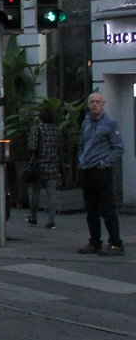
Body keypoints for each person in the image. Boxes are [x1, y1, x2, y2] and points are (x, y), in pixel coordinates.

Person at [77, 92, 125, 255]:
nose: (95, 105)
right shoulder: (86, 122)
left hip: (101, 172)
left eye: (98, 102)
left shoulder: (110, 123)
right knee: (91, 209)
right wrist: (82, 160)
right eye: (92, 102)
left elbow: (119, 147)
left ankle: (116, 243)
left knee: (107, 208)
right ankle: (95, 241)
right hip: (87, 170)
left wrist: (105, 163)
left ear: (103, 104)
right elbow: (82, 144)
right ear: (88, 105)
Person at [27, 107, 61, 230]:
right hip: (52, 165)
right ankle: (51, 221)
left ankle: (33, 217)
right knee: (52, 193)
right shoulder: (56, 130)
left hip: (39, 165)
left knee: (36, 192)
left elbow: (32, 147)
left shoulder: (37, 129)